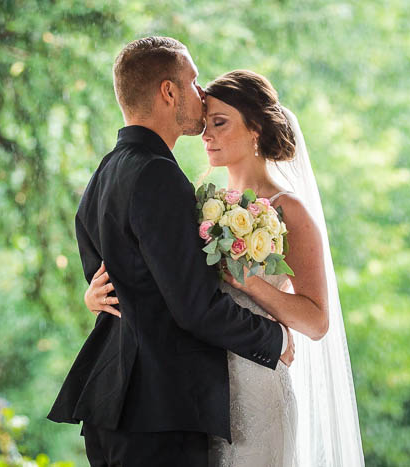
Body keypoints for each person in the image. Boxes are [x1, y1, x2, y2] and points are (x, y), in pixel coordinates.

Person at [85, 69, 365, 466]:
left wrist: (255, 286)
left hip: (256, 382)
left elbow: (317, 322)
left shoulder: (291, 211)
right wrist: (97, 295)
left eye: (219, 123)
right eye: (206, 124)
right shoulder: (197, 204)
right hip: (195, 395)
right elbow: (162, 280)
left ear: (255, 129)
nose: (206, 135)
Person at [48, 38, 295, 467]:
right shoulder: (158, 176)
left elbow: (112, 285)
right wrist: (273, 339)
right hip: (157, 413)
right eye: (193, 81)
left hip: (111, 405)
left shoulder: (104, 173)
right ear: (168, 92)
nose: (201, 94)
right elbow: (194, 307)